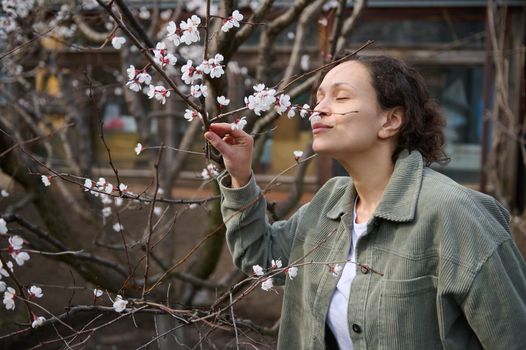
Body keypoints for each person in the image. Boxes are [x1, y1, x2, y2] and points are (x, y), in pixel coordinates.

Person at [204, 55, 526, 350]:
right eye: (319, 99)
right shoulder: (327, 204)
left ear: (390, 121)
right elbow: (260, 256)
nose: (319, 109)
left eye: (341, 97)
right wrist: (241, 176)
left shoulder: (455, 215)